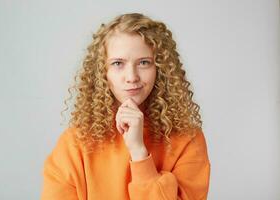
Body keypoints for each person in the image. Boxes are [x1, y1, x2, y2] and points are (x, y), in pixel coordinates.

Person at [41, 12, 211, 200]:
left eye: (144, 63)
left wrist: (139, 152)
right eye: (118, 63)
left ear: (160, 69)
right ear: (102, 72)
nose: (131, 77)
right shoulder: (75, 142)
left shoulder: (188, 140)